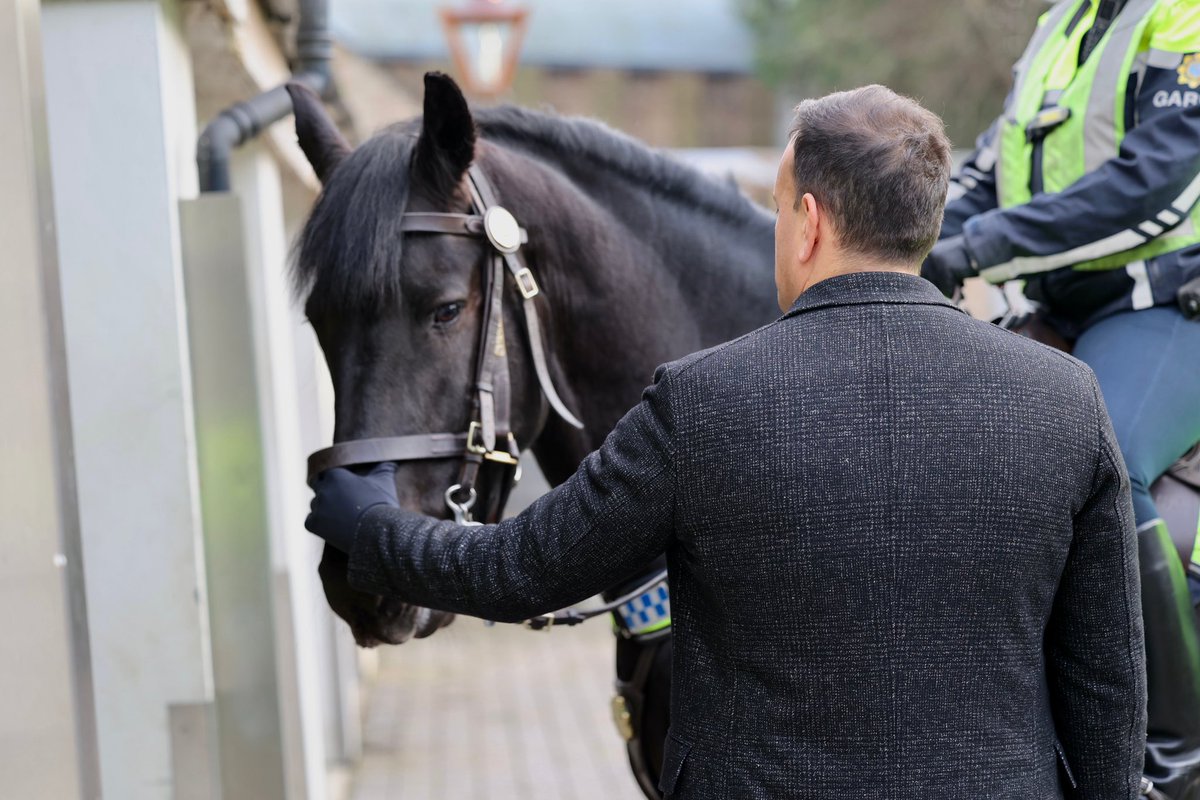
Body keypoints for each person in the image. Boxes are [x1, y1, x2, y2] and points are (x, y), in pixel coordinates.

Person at [307, 86, 1147, 798]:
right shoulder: (1066, 401)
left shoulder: (700, 403)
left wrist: (371, 525)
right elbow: (1105, 682)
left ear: (809, 223)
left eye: (775, 208)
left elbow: (519, 570)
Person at [921, 1, 1200, 795]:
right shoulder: (1061, 24)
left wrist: (982, 248)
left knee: (1107, 456)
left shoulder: (1184, 18)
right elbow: (987, 169)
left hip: (1165, 306)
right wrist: (908, 237)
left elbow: (1158, 190)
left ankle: (1171, 753)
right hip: (1057, 307)